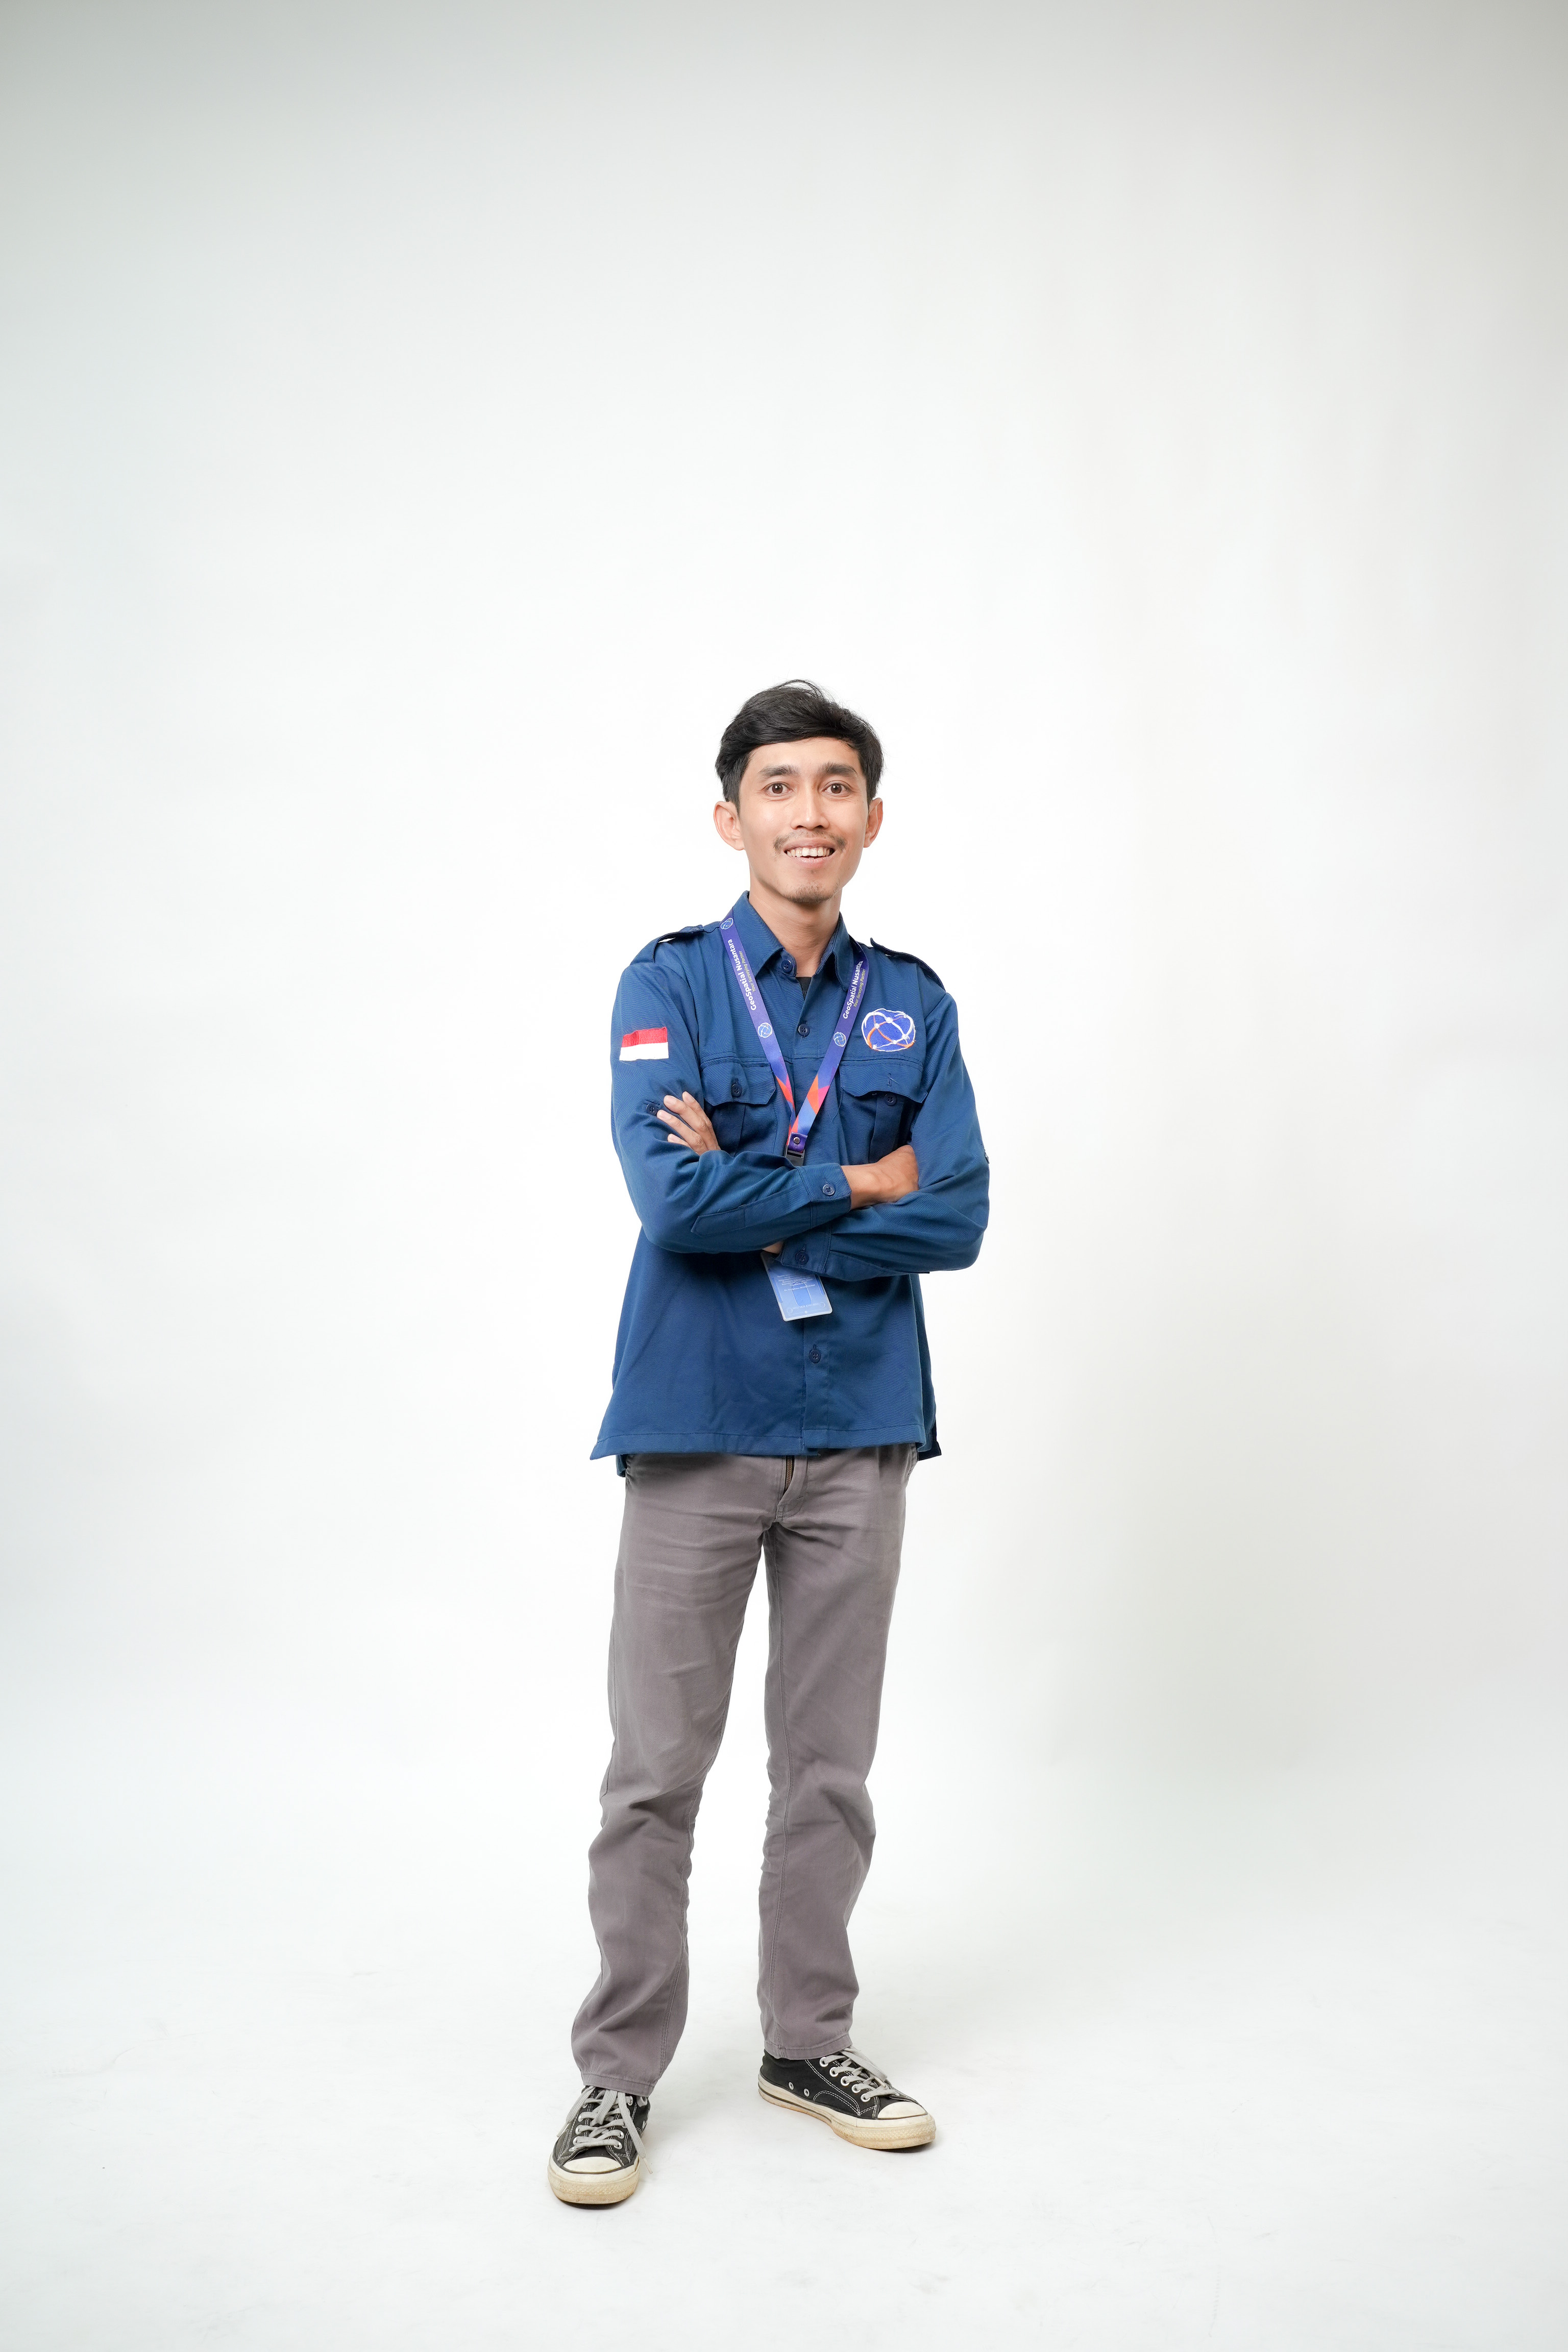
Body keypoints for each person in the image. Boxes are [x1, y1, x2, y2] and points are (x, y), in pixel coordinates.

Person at [548, 680, 989, 2206]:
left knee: (830, 1771)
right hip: (696, 1418)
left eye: (838, 786)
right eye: (782, 787)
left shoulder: (913, 1003)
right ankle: (617, 2076)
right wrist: (859, 1182)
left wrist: (768, 1190)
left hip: (860, 1427)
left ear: (873, 816)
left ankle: (809, 2044)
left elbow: (958, 1212)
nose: (812, 812)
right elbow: (670, 1205)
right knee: (654, 1773)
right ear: (731, 818)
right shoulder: (667, 982)